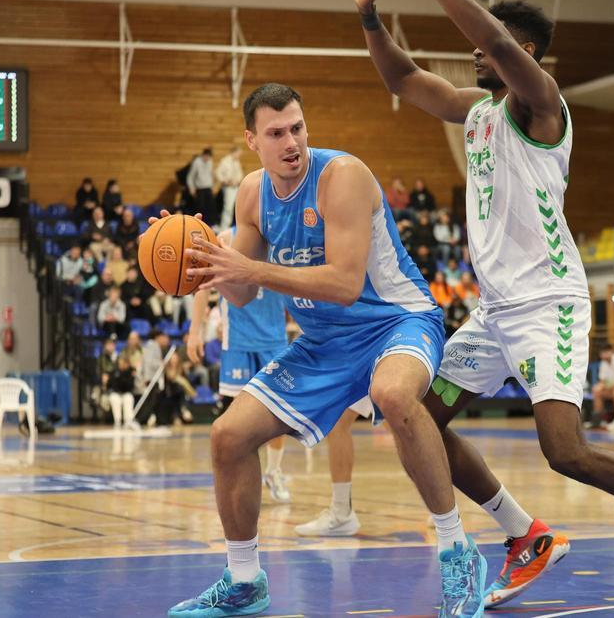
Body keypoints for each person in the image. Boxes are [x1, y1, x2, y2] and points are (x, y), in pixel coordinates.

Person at [356, 0, 614, 611]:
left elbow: (494, 39)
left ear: (524, 53)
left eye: (493, 48)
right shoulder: (475, 114)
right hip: (494, 312)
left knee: (565, 450)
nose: (475, 55)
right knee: (420, 417)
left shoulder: (543, 108)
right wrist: (368, 15)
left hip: (549, 305)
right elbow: (403, 79)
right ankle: (522, 532)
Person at [165, 81, 478, 618]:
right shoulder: (250, 194)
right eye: (276, 133)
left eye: (298, 128)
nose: (292, 142)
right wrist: (204, 262)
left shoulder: (342, 176)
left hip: (395, 321)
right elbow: (241, 292)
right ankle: (244, 580)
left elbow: (345, 284)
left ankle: (456, 549)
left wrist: (250, 268)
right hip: (325, 343)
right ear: (251, 140)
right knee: (228, 436)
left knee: (394, 394)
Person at [188, 226, 365, 522]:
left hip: (273, 337)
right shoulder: (226, 240)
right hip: (239, 339)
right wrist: (195, 330)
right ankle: (242, 478)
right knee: (236, 421)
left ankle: (274, 470)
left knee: (276, 417)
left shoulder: (285, 240)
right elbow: (204, 285)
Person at [187, 148, 217, 226]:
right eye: (206, 157)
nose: (207, 159)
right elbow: (191, 176)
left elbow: (211, 174)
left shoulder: (210, 161)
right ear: (203, 155)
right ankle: (198, 224)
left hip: (208, 188)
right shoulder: (197, 162)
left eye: (209, 157)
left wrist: (213, 185)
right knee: (200, 208)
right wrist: (191, 188)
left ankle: (210, 225)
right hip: (200, 189)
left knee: (211, 208)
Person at [216, 145, 244, 229]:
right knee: (228, 208)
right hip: (228, 188)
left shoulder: (237, 162)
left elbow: (240, 174)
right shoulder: (225, 161)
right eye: (238, 153)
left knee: (237, 207)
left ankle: (233, 227)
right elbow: (218, 173)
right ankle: (224, 228)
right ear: (234, 152)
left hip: (236, 187)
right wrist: (224, 181)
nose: (239, 155)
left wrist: (239, 180)